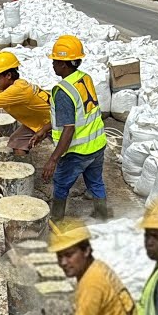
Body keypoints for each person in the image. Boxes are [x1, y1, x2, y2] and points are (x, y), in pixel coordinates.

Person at [41, 34, 109, 220]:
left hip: (77, 152)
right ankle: (102, 217)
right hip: (97, 145)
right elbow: (79, 115)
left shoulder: (63, 91)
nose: (52, 64)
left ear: (64, 64)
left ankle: (56, 219)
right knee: (95, 182)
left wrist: (53, 159)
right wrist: (44, 129)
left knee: (61, 184)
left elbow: (69, 128)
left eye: (55, 61)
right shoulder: (84, 78)